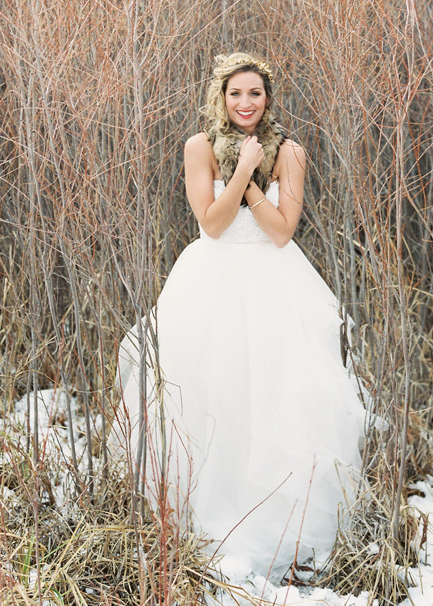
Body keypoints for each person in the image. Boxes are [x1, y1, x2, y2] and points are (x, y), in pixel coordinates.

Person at [107, 53, 365, 579]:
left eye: (255, 94)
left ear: (268, 98)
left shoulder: (290, 152)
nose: (246, 103)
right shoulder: (198, 148)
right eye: (235, 94)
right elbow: (212, 223)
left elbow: (281, 230)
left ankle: (276, 525)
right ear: (220, 98)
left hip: (276, 283)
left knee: (276, 398)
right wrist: (243, 168)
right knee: (208, 394)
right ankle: (200, 518)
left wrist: (250, 178)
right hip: (212, 280)